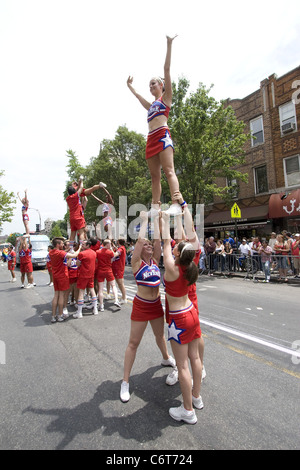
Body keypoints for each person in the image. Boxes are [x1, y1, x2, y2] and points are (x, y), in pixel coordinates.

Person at [120, 210, 175, 403]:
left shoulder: (155, 261)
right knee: (133, 343)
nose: (150, 246)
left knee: (160, 335)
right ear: (141, 248)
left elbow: (159, 242)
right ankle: (125, 382)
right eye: (147, 245)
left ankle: (166, 358)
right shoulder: (136, 263)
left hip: (156, 305)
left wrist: (159, 219)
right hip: (141, 306)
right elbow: (139, 241)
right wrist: (144, 220)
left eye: (151, 245)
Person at [127, 35, 183, 215]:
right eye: (149, 85)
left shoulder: (166, 99)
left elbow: (166, 68)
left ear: (161, 85)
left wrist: (169, 43)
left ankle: (176, 200)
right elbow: (137, 97)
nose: (150, 86)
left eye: (153, 83)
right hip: (151, 139)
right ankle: (155, 205)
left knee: (169, 170)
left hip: (162, 135)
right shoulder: (151, 106)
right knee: (154, 177)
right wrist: (130, 87)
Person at [161, 210, 203, 424]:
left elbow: (166, 240)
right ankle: (196, 397)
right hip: (191, 312)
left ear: (177, 253)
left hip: (178, 318)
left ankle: (188, 411)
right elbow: (179, 240)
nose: (175, 245)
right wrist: (177, 216)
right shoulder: (191, 263)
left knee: (183, 365)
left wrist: (161, 218)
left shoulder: (172, 268)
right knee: (195, 359)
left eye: (177, 247)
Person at [165, 194, 206, 387]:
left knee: (192, 337)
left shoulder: (185, 256)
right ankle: (193, 367)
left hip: (185, 302)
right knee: (192, 336)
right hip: (179, 301)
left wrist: (183, 205)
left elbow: (188, 232)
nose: (177, 239)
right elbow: (182, 232)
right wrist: (180, 211)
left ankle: (189, 367)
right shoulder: (186, 255)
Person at [66, 177, 106, 248]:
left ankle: (71, 248)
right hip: (78, 217)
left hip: (72, 218)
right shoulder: (76, 195)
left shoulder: (68, 198)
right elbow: (81, 188)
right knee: (81, 233)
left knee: (72, 234)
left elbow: (84, 198)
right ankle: (83, 246)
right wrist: (81, 180)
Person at [49, 238, 81, 323]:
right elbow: (74, 255)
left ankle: (53, 316)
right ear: (58, 244)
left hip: (55, 276)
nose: (63, 245)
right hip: (62, 276)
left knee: (56, 295)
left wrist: (69, 249)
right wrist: (80, 248)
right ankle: (60, 315)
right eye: (62, 243)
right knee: (61, 295)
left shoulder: (51, 252)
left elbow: (64, 252)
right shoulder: (60, 253)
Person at [73, 239, 98, 319]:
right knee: (92, 290)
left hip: (83, 274)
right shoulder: (94, 253)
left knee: (81, 292)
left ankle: (79, 312)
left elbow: (77, 264)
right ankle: (95, 309)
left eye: (83, 244)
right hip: (91, 274)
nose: (82, 246)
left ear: (88, 245)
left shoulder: (81, 254)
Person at [96, 239, 121, 311]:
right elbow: (113, 256)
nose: (111, 245)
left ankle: (101, 305)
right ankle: (116, 300)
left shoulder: (98, 252)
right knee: (113, 285)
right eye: (110, 244)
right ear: (107, 244)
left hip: (100, 270)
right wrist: (111, 249)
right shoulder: (110, 252)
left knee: (100, 288)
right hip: (108, 270)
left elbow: (96, 260)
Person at [111, 238, 127, 304]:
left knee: (120, 283)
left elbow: (115, 254)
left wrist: (111, 249)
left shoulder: (122, 248)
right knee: (119, 283)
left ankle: (124, 297)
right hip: (116, 268)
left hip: (119, 268)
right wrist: (113, 245)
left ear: (118, 242)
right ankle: (123, 297)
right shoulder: (120, 248)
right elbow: (117, 249)